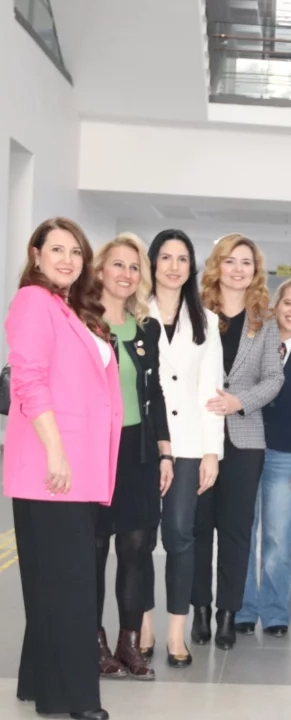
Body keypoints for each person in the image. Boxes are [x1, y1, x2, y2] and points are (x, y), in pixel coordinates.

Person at [7, 218, 120, 720]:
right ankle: (78, 699)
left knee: (51, 581)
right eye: (56, 249)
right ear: (36, 254)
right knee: (72, 586)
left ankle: (41, 684)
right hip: (53, 468)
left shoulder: (70, 307)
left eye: (76, 251)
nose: (68, 260)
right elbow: (29, 382)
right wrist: (55, 450)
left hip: (79, 467)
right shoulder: (33, 301)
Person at [194, 235, 285, 651]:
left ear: (255, 270)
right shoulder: (196, 312)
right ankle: (198, 608)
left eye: (246, 262)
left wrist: (239, 401)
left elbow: (274, 378)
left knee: (235, 531)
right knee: (198, 528)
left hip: (246, 440)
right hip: (198, 436)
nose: (237, 269)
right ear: (217, 265)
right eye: (230, 261)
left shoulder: (263, 319)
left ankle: (228, 613)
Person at [93, 234, 173, 682]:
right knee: (94, 548)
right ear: (100, 270)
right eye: (118, 264)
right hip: (94, 450)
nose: (126, 274)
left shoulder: (147, 329)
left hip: (138, 450)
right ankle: (93, 641)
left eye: (134, 267)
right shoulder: (81, 322)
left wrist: (165, 452)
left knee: (137, 548)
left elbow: (154, 392)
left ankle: (129, 641)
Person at [145, 229, 223, 668]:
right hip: (143, 442)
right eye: (166, 257)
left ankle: (176, 632)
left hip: (190, 444)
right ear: (153, 262)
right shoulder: (135, 311)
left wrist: (212, 451)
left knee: (179, 535)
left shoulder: (206, 319)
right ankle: (142, 626)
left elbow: (211, 389)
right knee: (138, 538)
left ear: (191, 267)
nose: (174, 266)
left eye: (182, 259)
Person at [236, 279, 291, 639]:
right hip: (246, 448)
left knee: (277, 538)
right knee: (243, 532)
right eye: (288, 303)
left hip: (286, 454)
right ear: (276, 306)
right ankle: (242, 609)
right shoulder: (252, 342)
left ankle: (274, 613)